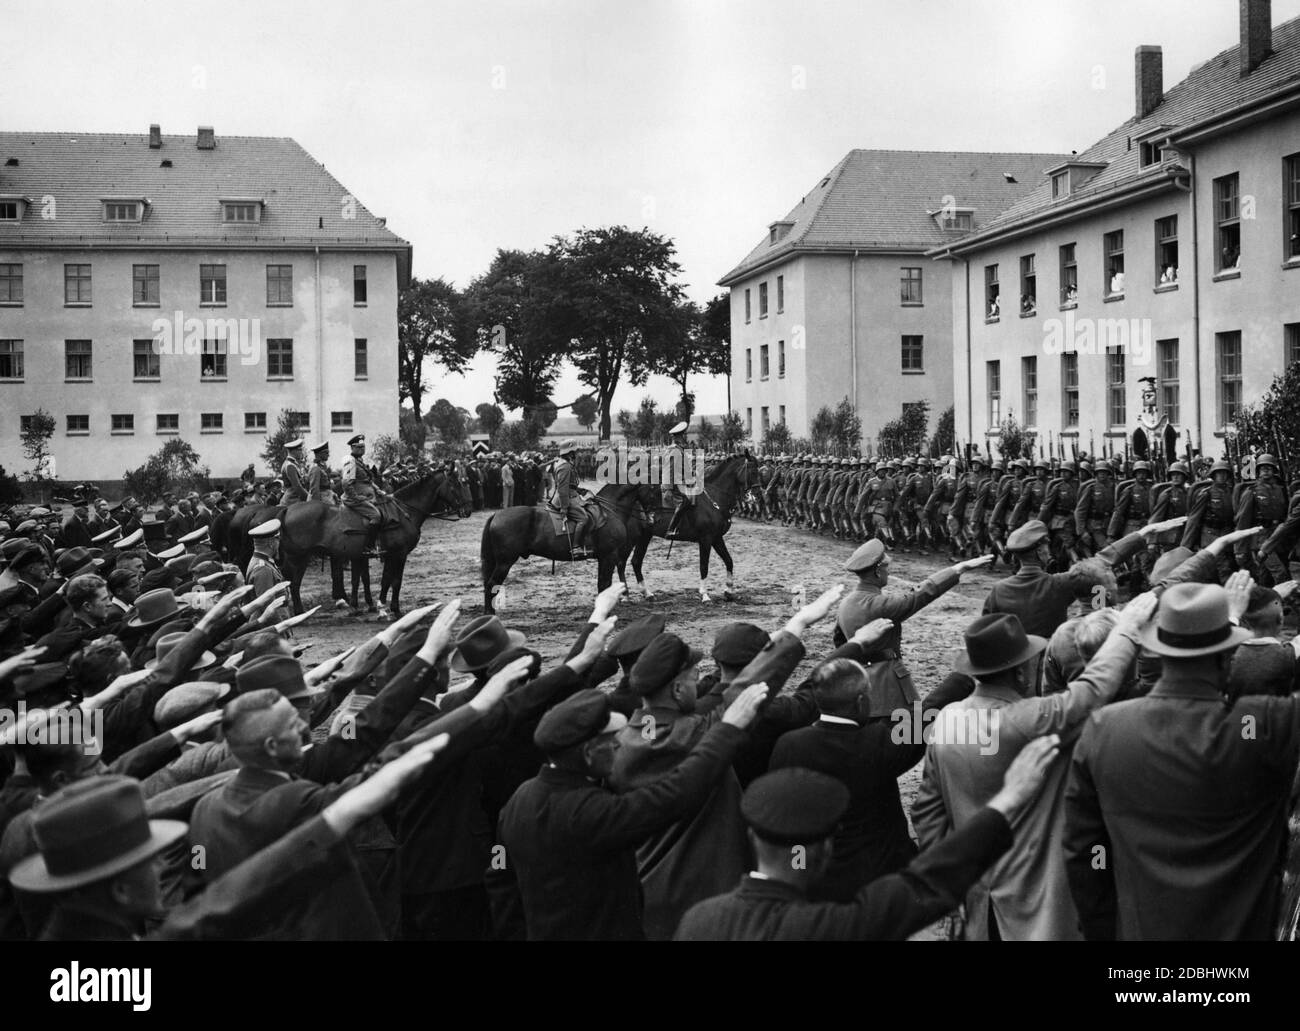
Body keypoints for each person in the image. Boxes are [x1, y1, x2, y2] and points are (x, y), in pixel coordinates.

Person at [1065, 580, 1300, 941]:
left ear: (1157, 650)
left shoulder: (1104, 729)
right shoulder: (1259, 726)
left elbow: (1088, 852)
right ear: (1228, 657)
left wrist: (1103, 930)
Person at [912, 594, 1157, 940]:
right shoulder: (1030, 719)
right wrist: (1127, 630)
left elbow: (926, 815)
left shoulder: (947, 720)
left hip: (978, 900)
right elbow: (1094, 688)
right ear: (1021, 672)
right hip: (1040, 903)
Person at [674, 738, 1059, 940]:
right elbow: (929, 880)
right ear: (825, 847)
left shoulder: (698, 921)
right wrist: (1009, 798)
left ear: (753, 836)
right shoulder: (834, 926)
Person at [489, 682, 770, 940]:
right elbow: (674, 794)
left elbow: (499, 871)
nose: (619, 744)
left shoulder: (517, 803)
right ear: (588, 753)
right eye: (610, 741)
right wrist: (727, 729)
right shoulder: (591, 812)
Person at [341, 434, 389, 558]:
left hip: (368, 495)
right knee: (376, 515)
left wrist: (378, 490)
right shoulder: (350, 461)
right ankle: (368, 547)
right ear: (352, 448)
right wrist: (356, 498)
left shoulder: (359, 461)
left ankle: (381, 543)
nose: (362, 449)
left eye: (363, 447)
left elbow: (367, 480)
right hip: (355, 498)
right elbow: (346, 483)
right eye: (359, 447)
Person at [550, 441, 588, 559]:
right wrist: (564, 507)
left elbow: (569, 484)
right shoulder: (565, 466)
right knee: (583, 518)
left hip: (571, 494)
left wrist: (579, 489)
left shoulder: (564, 464)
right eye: (574, 452)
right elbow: (562, 488)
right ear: (569, 453)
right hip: (565, 498)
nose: (575, 454)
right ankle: (576, 547)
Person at [663, 421, 695, 539]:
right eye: (682, 436)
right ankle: (671, 529)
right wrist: (668, 488)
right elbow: (670, 470)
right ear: (679, 437)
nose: (684, 438)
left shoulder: (679, 449)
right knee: (685, 500)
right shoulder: (674, 450)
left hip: (681, 482)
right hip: (675, 484)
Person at [245, 520, 285, 596]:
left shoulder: (262, 562)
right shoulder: (263, 570)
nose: (279, 543)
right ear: (271, 543)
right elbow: (267, 606)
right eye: (278, 539)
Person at [280, 440, 308, 504]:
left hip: (296, 498)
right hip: (292, 500)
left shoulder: (293, 464)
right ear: (293, 451)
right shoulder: (290, 465)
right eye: (300, 450)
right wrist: (309, 497)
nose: (302, 452)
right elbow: (297, 487)